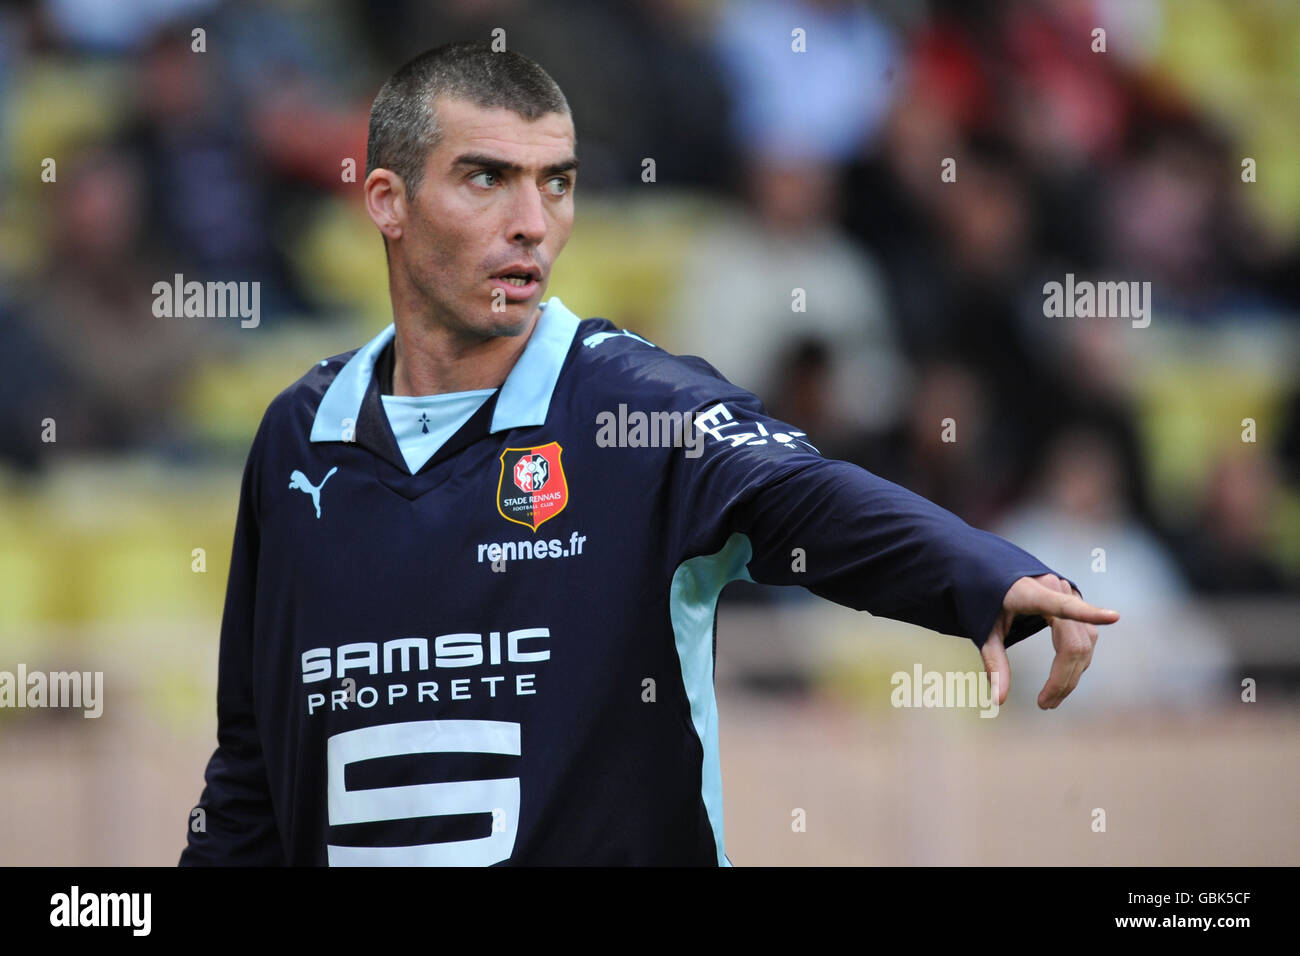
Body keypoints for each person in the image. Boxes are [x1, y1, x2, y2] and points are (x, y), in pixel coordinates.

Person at [180, 41, 1118, 867]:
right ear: (387, 200)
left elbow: (805, 497)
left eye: (557, 182)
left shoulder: (639, 408)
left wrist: (981, 574)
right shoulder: (300, 439)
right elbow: (253, 773)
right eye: (485, 178)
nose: (532, 223)